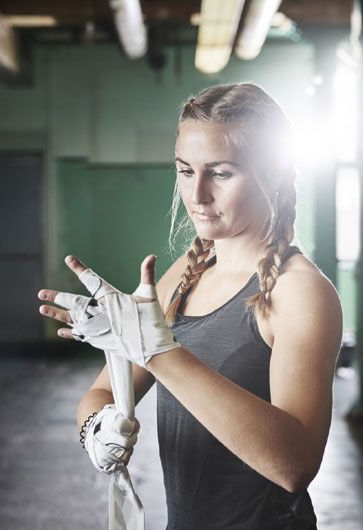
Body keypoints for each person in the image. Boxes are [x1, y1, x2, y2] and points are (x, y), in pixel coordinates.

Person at [37, 83, 343, 530]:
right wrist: (97, 429)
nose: (196, 194)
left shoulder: (299, 292)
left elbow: (294, 465)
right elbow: (102, 392)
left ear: (273, 173)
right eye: (185, 170)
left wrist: (162, 354)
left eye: (220, 173)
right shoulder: (188, 272)